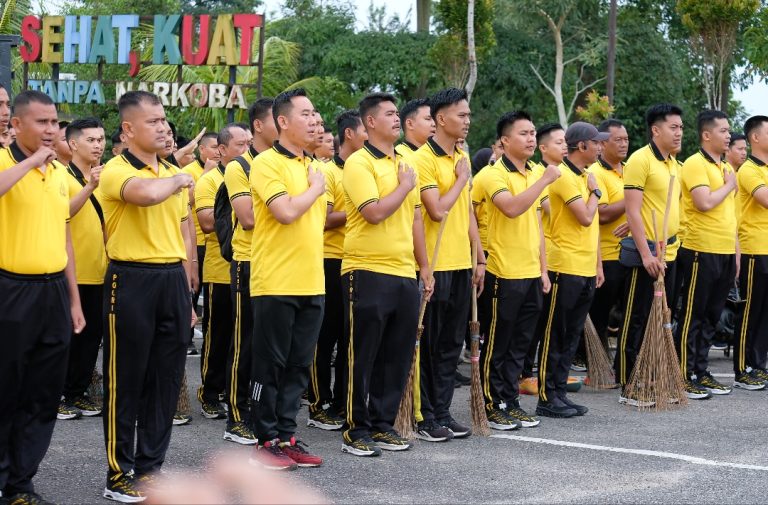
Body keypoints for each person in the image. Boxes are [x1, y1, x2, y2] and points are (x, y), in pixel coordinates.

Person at [99, 91, 196, 502]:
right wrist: (179, 176)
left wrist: (188, 293)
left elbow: (177, 232)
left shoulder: (168, 171)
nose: (163, 127)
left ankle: (150, 467)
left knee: (166, 379)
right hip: (131, 279)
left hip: (170, 278)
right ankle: (119, 473)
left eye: (164, 120)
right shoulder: (116, 170)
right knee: (126, 380)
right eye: (153, 121)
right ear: (129, 129)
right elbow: (146, 194)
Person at [0, 89, 85, 504]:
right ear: (16, 125)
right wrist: (32, 162)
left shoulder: (60, 173)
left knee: (42, 393)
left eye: (55, 122)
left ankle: (20, 483)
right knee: (6, 390)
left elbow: (63, 235)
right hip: (11, 290)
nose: (52, 130)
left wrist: (73, 300)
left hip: (53, 292)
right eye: (42, 122)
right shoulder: (6, 160)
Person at [341, 92, 433, 457]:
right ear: (370, 122)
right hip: (366, 269)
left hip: (403, 271)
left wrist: (424, 266)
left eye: (398, 114)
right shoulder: (358, 163)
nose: (397, 119)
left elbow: (414, 218)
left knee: (395, 355)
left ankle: (382, 425)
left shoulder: (406, 161)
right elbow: (374, 212)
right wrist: (405, 187)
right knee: (362, 355)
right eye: (390, 114)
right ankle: (355, 428)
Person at [248, 89, 326, 470]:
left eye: (316, 115)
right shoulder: (266, 164)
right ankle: (265, 439)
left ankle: (286, 435)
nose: (315, 121)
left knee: (298, 366)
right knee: (270, 366)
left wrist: (315, 183)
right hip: (276, 282)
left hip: (312, 281)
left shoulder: (314, 166)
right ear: (282, 121)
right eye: (306, 114)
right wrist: (315, 188)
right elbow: (284, 212)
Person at [477, 111, 560, 430]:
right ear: (504, 141)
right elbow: (511, 208)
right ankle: (490, 402)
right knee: (498, 342)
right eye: (523, 134)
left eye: (532, 132)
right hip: (502, 270)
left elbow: (537, 224)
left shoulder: (536, 172)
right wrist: (544, 181)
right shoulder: (492, 175)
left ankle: (509, 400)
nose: (530, 139)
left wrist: (543, 269)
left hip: (529, 271)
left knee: (521, 345)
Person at [411, 87, 484, 441]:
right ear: (441, 119)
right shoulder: (422, 158)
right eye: (462, 115)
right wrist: (460, 180)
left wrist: (479, 255)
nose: (467, 121)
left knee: (450, 346)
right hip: (434, 264)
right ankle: (424, 415)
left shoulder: (461, 157)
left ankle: (442, 411)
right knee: (429, 341)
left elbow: (466, 211)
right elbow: (437, 209)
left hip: (460, 263)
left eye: (469, 115)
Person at [616, 103, 684, 408]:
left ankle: (652, 376)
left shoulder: (674, 163)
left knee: (662, 317)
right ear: (656, 130)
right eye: (674, 127)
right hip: (645, 253)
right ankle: (629, 382)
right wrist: (646, 255)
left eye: (681, 127)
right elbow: (633, 210)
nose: (679, 132)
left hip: (671, 249)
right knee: (637, 317)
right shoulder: (639, 160)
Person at [537, 122, 606, 418]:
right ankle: (546, 396)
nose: (601, 147)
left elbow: (594, 229)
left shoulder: (585, 176)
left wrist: (598, 263)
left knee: (572, 335)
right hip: (563, 265)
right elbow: (586, 217)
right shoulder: (564, 175)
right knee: (557, 333)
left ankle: (560, 392)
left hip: (585, 266)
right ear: (582, 146)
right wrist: (596, 193)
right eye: (597, 142)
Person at [307, 110, 367, 431]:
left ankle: (345, 400)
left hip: (357, 261)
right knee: (325, 336)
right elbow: (324, 219)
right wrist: (360, 208)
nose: (369, 137)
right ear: (349, 134)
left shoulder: (367, 168)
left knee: (349, 336)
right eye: (364, 131)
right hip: (330, 260)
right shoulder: (325, 170)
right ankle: (319, 403)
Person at [223, 98, 277, 447]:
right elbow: (248, 218)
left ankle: (263, 412)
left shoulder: (285, 162)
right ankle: (237, 416)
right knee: (243, 343)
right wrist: (287, 210)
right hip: (249, 262)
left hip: (280, 264)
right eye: (279, 119)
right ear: (259, 125)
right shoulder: (239, 166)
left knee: (269, 348)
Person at [675, 110, 737, 398]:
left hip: (724, 251)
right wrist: (728, 186)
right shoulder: (694, 164)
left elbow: (731, 216)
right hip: (700, 249)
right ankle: (683, 373)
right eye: (723, 131)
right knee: (693, 314)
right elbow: (703, 202)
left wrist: (735, 254)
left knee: (712, 315)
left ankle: (701, 371)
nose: (728, 135)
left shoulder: (726, 167)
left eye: (728, 131)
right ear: (706, 135)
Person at [194, 125, 248, 432]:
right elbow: (205, 222)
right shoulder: (211, 180)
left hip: (247, 268)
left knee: (240, 340)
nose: (244, 149)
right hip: (219, 269)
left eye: (247, 144)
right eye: (238, 145)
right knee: (218, 336)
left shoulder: (253, 173)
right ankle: (209, 392)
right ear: (221, 150)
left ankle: (233, 392)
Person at [59, 118, 107, 421]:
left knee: (91, 339)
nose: (98, 145)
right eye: (91, 139)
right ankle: (56, 395)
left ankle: (77, 392)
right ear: (73, 143)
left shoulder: (104, 176)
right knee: (65, 339)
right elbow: (61, 213)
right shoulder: (61, 177)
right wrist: (89, 186)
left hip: (99, 270)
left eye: (101, 139)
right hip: (69, 272)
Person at [520, 123, 567, 393]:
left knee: (544, 320)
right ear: (544, 148)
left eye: (565, 142)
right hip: (544, 252)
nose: (565, 147)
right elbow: (550, 210)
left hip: (549, 256)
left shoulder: (566, 174)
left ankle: (537, 372)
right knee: (534, 322)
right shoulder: (539, 174)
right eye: (559, 142)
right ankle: (525, 373)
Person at [588, 119, 630, 349]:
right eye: (618, 140)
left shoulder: (631, 169)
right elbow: (602, 214)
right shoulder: (595, 173)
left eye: (626, 139)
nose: (624, 144)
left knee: (628, 315)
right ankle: (597, 363)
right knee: (601, 315)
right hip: (607, 256)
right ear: (602, 144)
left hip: (632, 252)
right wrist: (633, 199)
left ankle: (622, 364)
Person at [733, 115, 768, 390]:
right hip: (754, 249)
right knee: (750, 312)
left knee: (765, 313)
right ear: (755, 137)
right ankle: (743, 369)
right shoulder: (748, 169)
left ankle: (758, 365)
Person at [181, 132, 220, 356]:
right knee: (192, 290)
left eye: (218, 147)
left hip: (214, 240)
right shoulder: (188, 172)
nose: (216, 151)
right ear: (202, 150)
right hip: (194, 237)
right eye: (212, 147)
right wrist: (205, 176)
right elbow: (184, 203)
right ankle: (187, 338)